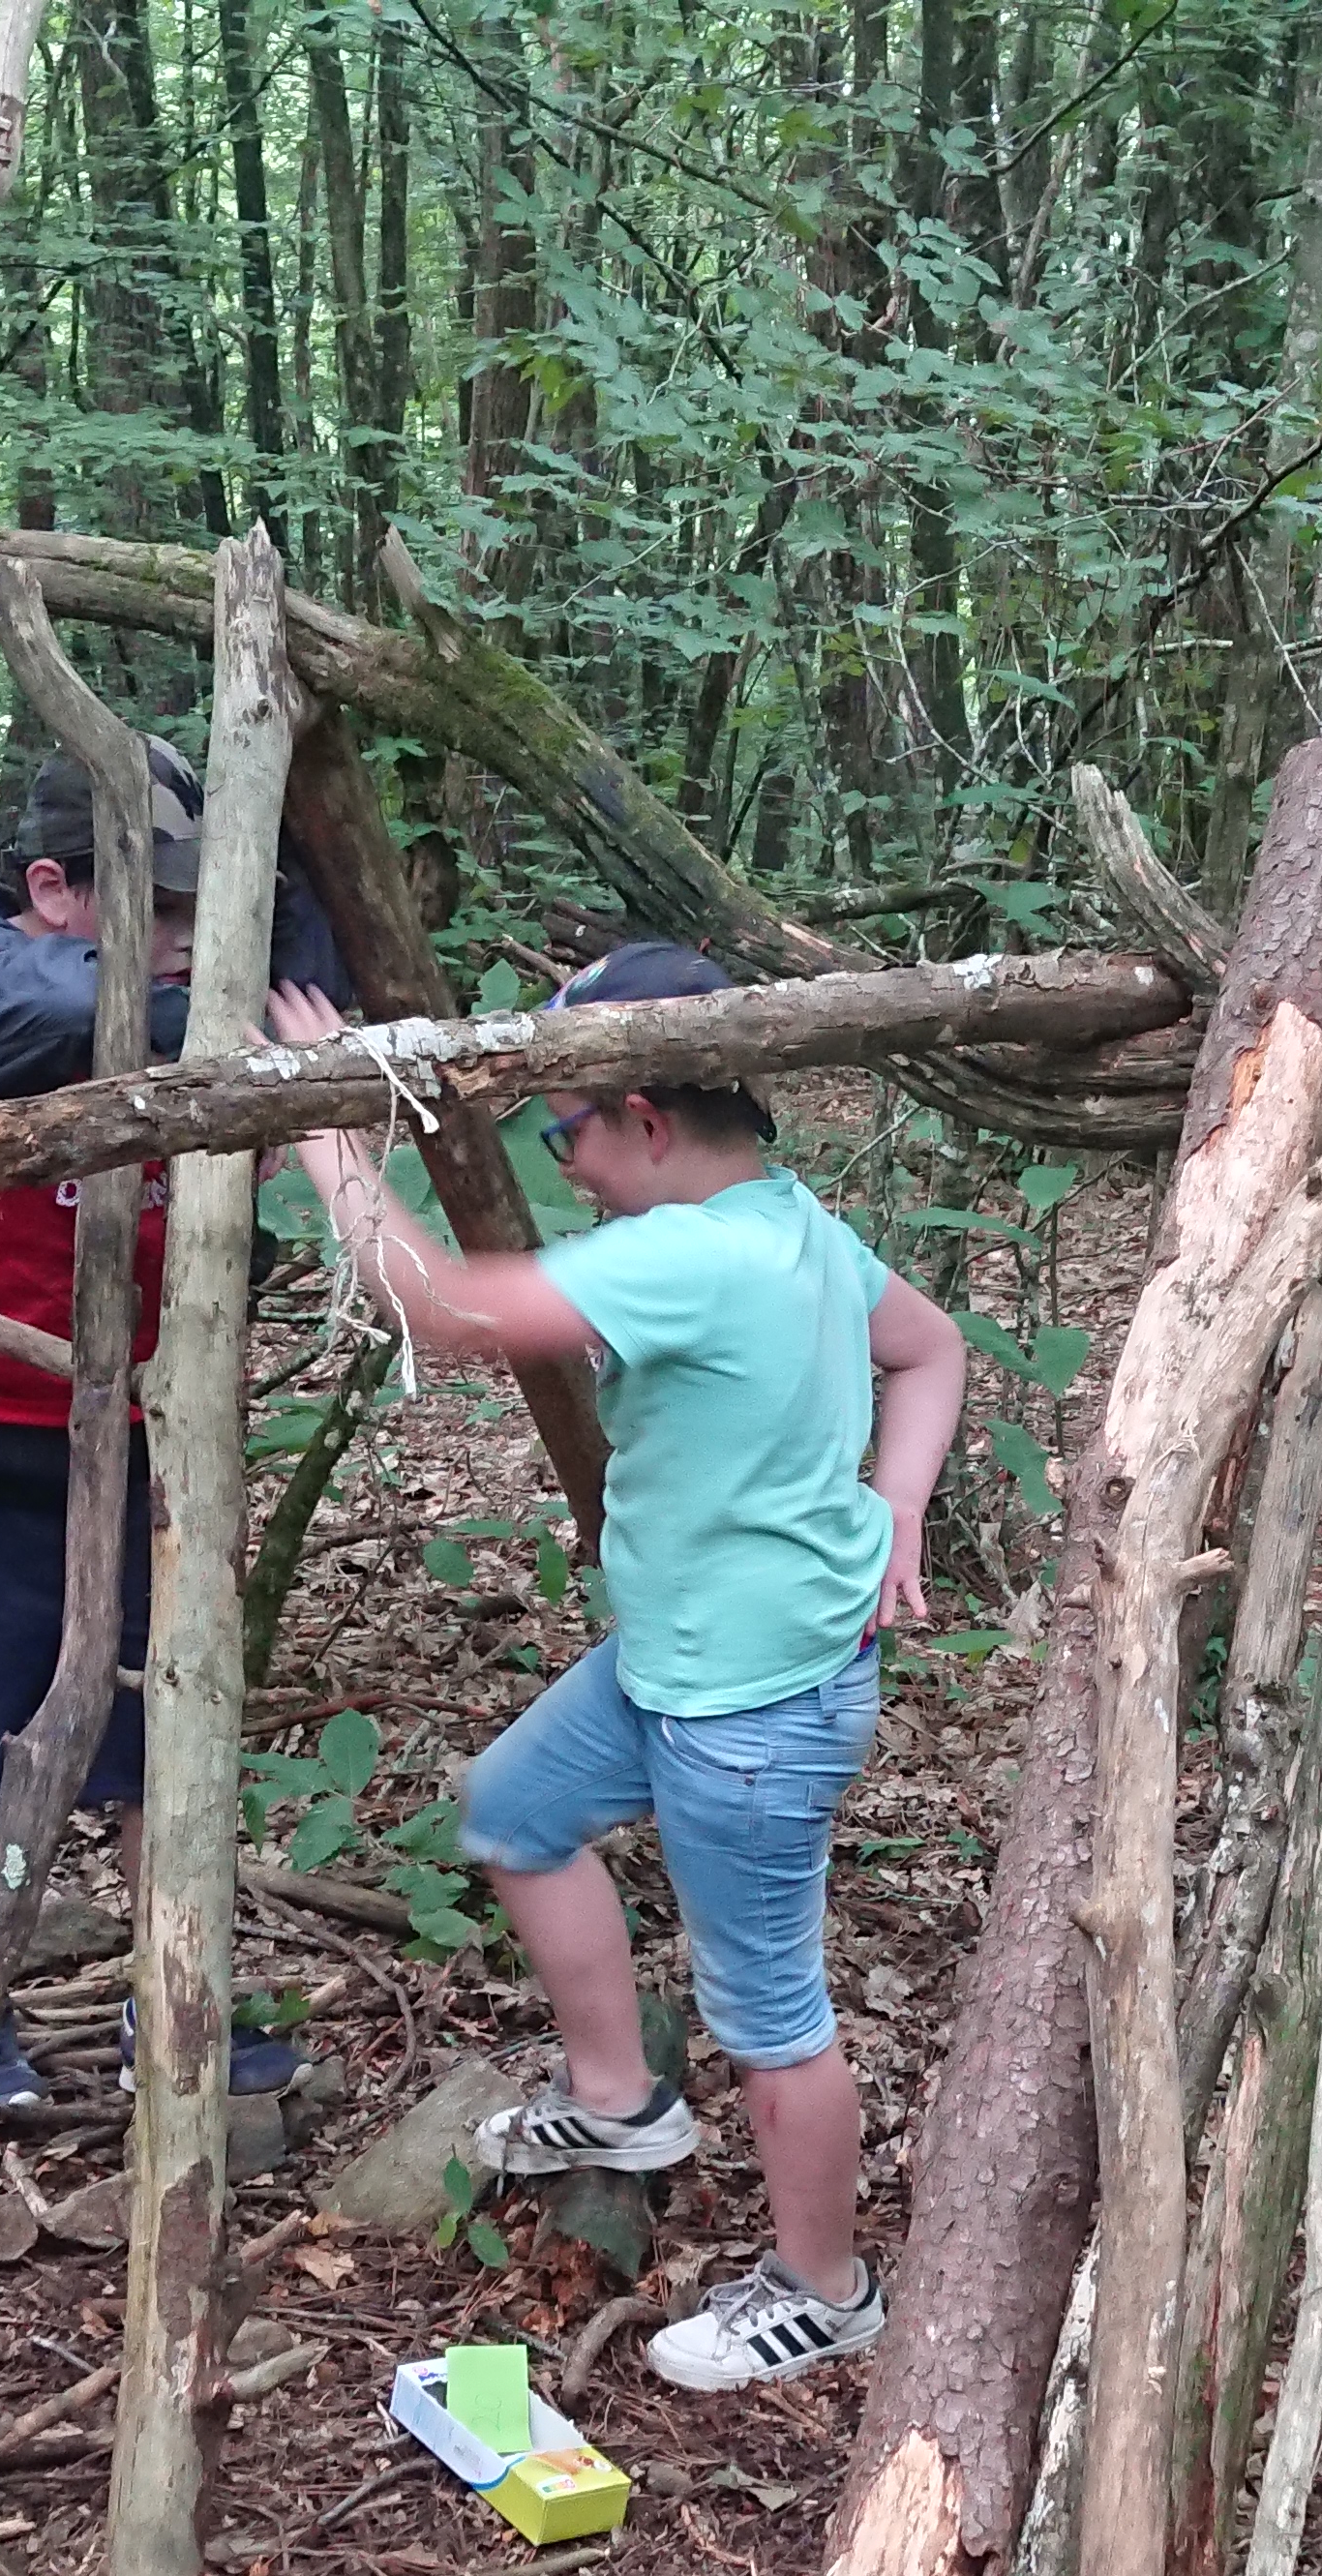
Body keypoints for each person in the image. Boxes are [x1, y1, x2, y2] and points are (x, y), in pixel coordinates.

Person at [266, 943, 966, 2392]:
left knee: (771, 2015)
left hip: (755, 1707)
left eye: (565, 1126)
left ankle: (825, 2288)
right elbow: (932, 1348)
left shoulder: (696, 1249)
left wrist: (332, 1138)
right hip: (683, 1662)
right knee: (517, 1813)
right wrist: (894, 1505)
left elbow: (451, 1318)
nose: (559, 1157)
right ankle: (620, 2100)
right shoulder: (791, 1219)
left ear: (647, 1118)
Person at [0, 739, 343, 2121]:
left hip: (129, 1444)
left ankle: (174, 2000)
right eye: (163, 913)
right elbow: (29, 1013)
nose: (188, 947)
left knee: (155, 1744)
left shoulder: (173, 987)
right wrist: (248, 1023)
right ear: (50, 887)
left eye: (202, 914)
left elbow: (292, 969)